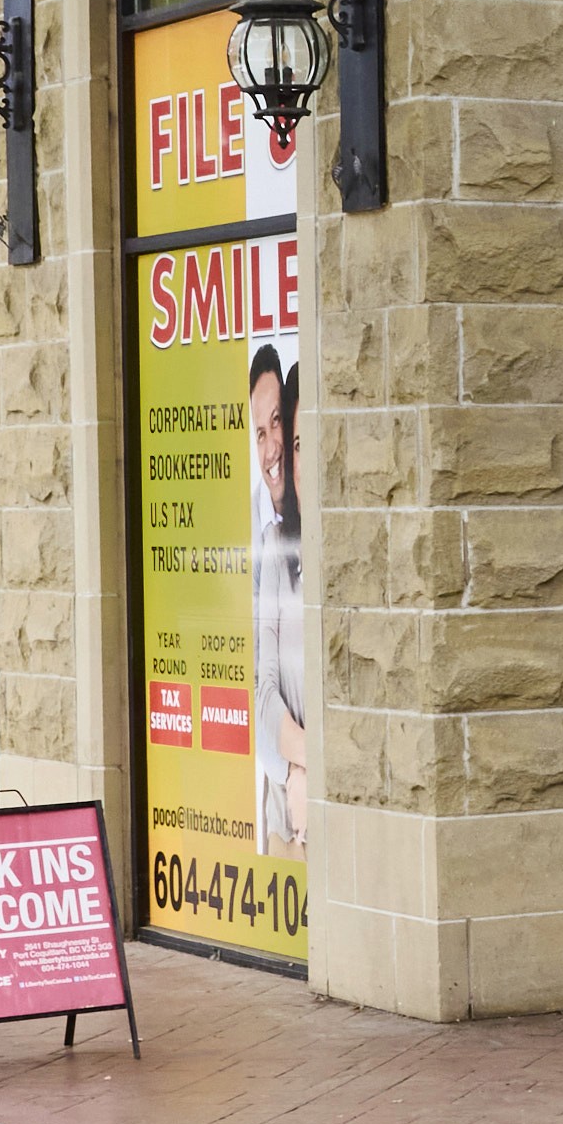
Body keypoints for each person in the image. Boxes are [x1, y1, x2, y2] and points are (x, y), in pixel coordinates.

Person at [247, 341, 309, 856]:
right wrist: (300, 769)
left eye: (285, 433)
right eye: (262, 433)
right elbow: (263, 688)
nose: (280, 451)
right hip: (284, 794)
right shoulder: (271, 543)